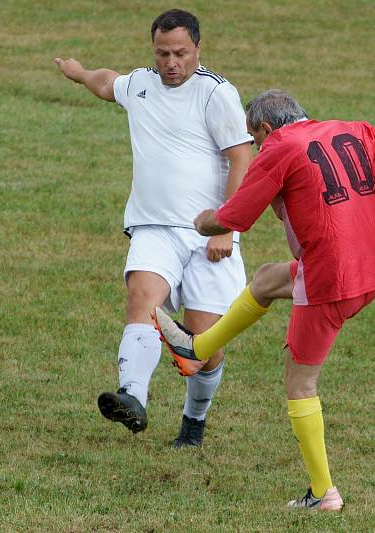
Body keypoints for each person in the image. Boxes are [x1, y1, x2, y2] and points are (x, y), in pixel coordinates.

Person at [153, 89, 375, 508]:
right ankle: (197, 349)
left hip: (330, 281)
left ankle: (324, 493)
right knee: (268, 279)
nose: (258, 148)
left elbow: (234, 218)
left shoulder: (279, 146)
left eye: (257, 139)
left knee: (300, 383)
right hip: (371, 270)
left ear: (266, 129)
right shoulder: (351, 129)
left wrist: (202, 222)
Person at [54, 9, 253, 447]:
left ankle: (193, 425)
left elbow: (242, 157)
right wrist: (78, 72)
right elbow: (107, 83)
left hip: (209, 236)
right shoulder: (142, 82)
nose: (171, 62)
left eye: (180, 53)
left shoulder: (215, 94)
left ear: (198, 49)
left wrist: (226, 226)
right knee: (141, 297)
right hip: (153, 227)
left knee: (201, 351)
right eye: (162, 53)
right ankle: (133, 398)